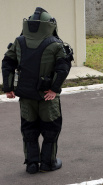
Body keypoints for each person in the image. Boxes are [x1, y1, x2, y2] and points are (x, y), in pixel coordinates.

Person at [1, 7, 73, 174]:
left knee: (29, 129)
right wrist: (54, 89)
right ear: (49, 25)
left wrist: (8, 88)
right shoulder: (56, 44)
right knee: (51, 129)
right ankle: (48, 163)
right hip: (47, 97)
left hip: (26, 97)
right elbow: (63, 67)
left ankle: (32, 164)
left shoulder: (19, 41)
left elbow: (7, 63)